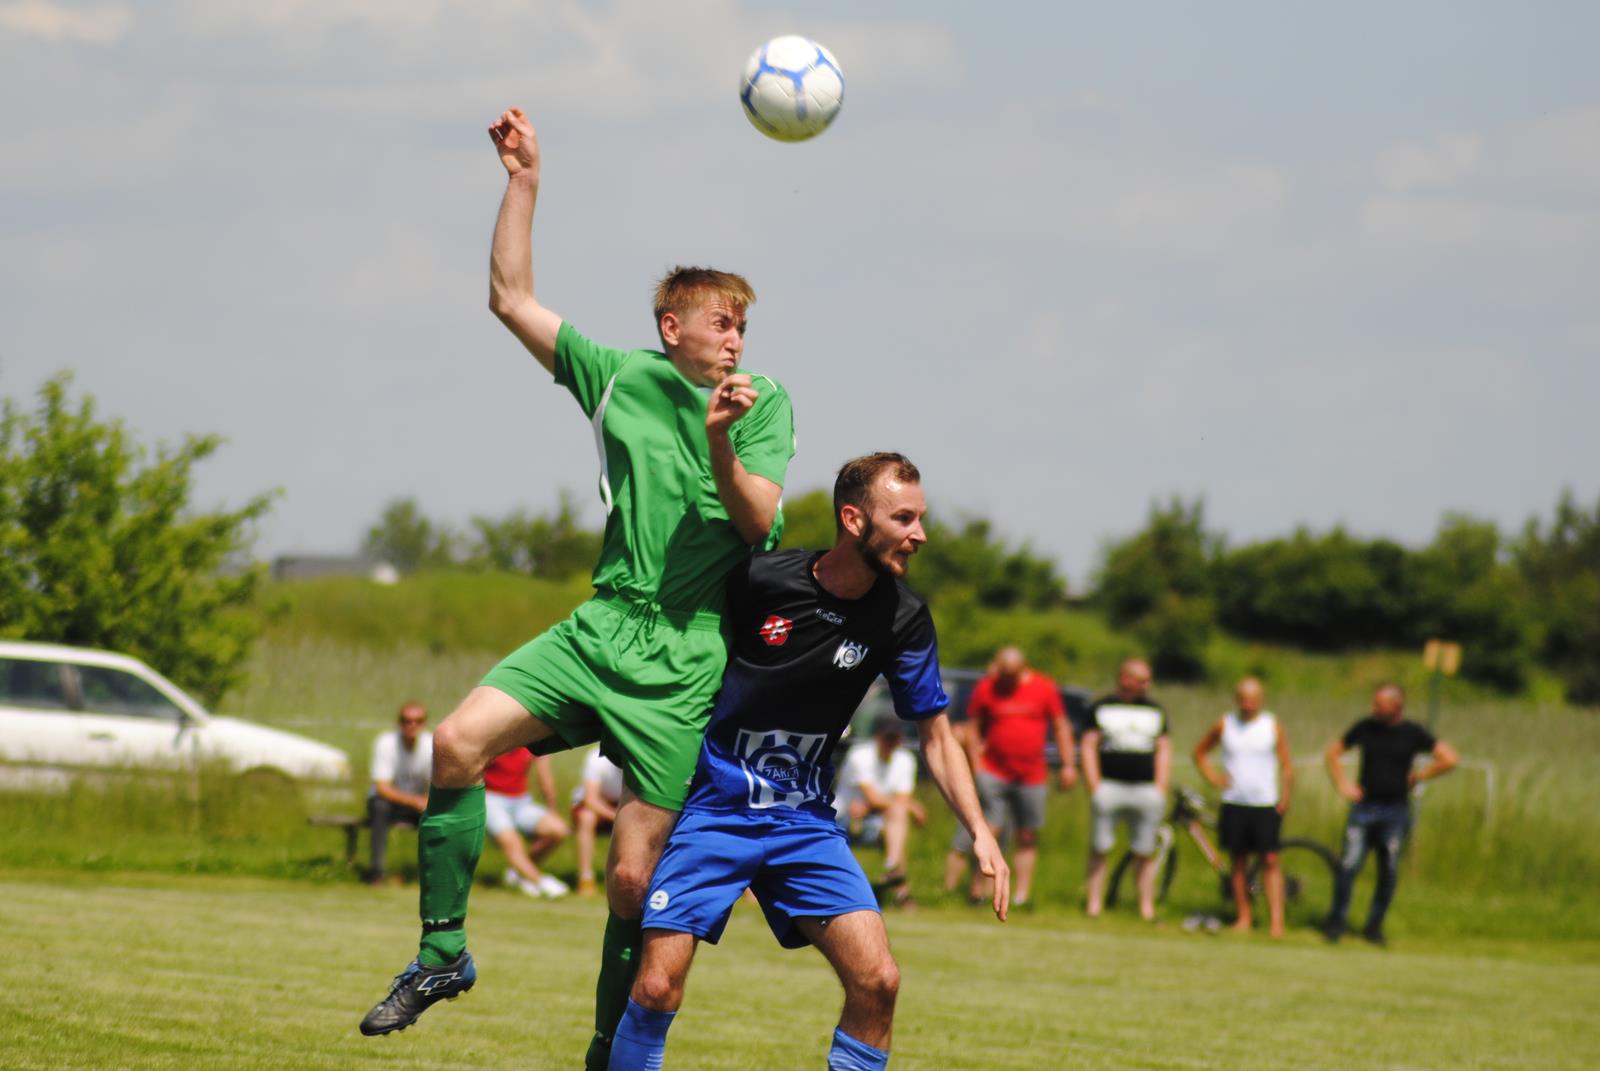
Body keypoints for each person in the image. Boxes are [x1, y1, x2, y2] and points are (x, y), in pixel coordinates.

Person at [360, 106, 795, 1067]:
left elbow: (760, 522)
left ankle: (609, 1050)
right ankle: (441, 954)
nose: (737, 338)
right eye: (723, 321)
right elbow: (510, 297)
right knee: (456, 742)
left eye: (745, 325)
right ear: (671, 326)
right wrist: (524, 181)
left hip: (688, 654)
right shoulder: (616, 376)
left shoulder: (762, 405)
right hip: (601, 625)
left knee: (634, 881)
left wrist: (722, 431)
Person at [607, 453, 1008, 1071]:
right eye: (903, 518)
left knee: (878, 981)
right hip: (713, 810)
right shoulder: (761, 581)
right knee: (658, 988)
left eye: (920, 518)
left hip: (804, 824)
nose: (919, 534)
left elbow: (935, 733)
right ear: (853, 519)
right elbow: (679, 653)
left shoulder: (903, 617)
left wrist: (980, 829)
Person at [1322, 683, 1458, 946]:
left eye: (1379, 704)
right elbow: (1333, 752)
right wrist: (1343, 785)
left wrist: (1420, 776)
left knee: (1388, 870)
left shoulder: (1412, 733)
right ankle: (1336, 922)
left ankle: (1374, 927)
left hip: (1395, 812)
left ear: (1396, 706)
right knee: (1348, 865)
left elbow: (1450, 758)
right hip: (1363, 809)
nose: (1374, 708)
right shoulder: (1365, 727)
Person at [946, 646, 1074, 908]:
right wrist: (977, 765)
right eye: (1002, 674)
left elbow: (1060, 726)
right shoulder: (987, 687)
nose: (1004, 680)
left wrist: (1068, 764)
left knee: (1027, 835)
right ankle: (978, 890)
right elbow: (973, 727)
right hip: (994, 771)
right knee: (988, 831)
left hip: (1032, 774)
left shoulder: (1044, 688)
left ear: (1023, 669)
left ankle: (1021, 895)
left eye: (1010, 676)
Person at [1193, 677, 1294, 937]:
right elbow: (1200, 752)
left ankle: (1276, 922)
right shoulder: (1225, 724)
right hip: (1234, 801)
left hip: (1264, 803)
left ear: (1261, 700)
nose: (1248, 705)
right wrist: (1214, 778)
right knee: (1238, 861)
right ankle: (1244, 917)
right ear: (1237, 700)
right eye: (1244, 699)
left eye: (1253, 700)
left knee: (1270, 861)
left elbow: (1286, 765)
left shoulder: (1271, 725)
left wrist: (1285, 797)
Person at [1082, 658, 1168, 921]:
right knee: (1100, 847)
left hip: (1145, 789)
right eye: (1142, 679)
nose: (1147, 684)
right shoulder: (1102, 707)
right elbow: (1088, 746)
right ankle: (1094, 905)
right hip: (1110, 786)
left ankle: (1145, 908)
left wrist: (1160, 788)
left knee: (1144, 851)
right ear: (1125, 678)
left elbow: (1164, 749)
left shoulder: (1156, 710)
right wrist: (1094, 786)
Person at [833, 712, 927, 903]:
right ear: (877, 737)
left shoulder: (905, 760)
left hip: (875, 818)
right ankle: (900, 887)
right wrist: (909, 805)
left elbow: (898, 800)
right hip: (842, 818)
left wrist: (902, 804)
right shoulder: (860, 755)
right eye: (887, 738)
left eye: (895, 738)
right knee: (898, 818)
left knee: (897, 817)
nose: (891, 743)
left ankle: (893, 868)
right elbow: (874, 798)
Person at [483, 747, 570, 898]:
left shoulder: (531, 739)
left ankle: (518, 873)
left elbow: (545, 777)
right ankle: (542, 882)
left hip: (521, 801)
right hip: (490, 798)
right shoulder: (494, 738)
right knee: (513, 842)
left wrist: (552, 809)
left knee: (558, 830)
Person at [366, 703, 432, 884]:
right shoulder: (385, 743)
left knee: (438, 815)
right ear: (399, 723)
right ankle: (376, 873)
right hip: (389, 802)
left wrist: (427, 801)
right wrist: (415, 801)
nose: (411, 725)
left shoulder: (431, 745)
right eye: (406, 721)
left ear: (424, 724)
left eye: (417, 721)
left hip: (417, 804)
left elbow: (437, 784)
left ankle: (431, 875)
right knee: (380, 807)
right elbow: (382, 787)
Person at [571, 746, 625, 897]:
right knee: (586, 818)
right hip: (596, 806)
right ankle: (585, 878)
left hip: (622, 806)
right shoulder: (597, 758)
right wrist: (617, 817)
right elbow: (590, 800)